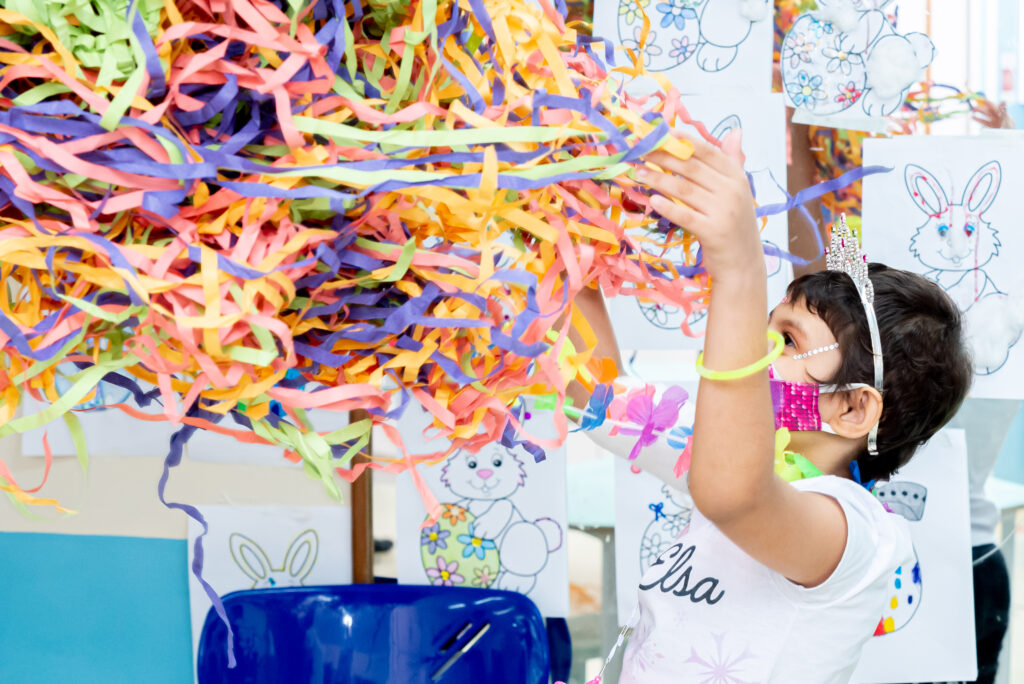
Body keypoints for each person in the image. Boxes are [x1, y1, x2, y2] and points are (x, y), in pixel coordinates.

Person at [567, 129, 973, 682]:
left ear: (853, 409)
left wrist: (739, 268)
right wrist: (567, 241)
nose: (753, 348)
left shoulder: (858, 532)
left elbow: (733, 493)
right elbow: (596, 399)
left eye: (788, 341)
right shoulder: (725, 455)